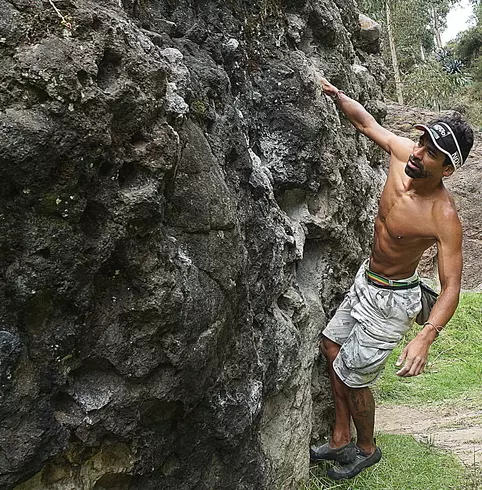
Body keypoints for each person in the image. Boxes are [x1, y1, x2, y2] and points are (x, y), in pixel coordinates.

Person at [310, 78, 474, 480]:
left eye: (431, 153)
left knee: (354, 376)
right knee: (332, 346)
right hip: (365, 280)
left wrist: (426, 335)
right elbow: (368, 125)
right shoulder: (404, 154)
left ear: (448, 168)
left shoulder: (443, 217)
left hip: (393, 300)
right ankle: (339, 436)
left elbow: (451, 285)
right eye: (421, 142)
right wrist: (338, 95)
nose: (417, 153)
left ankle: (366, 449)